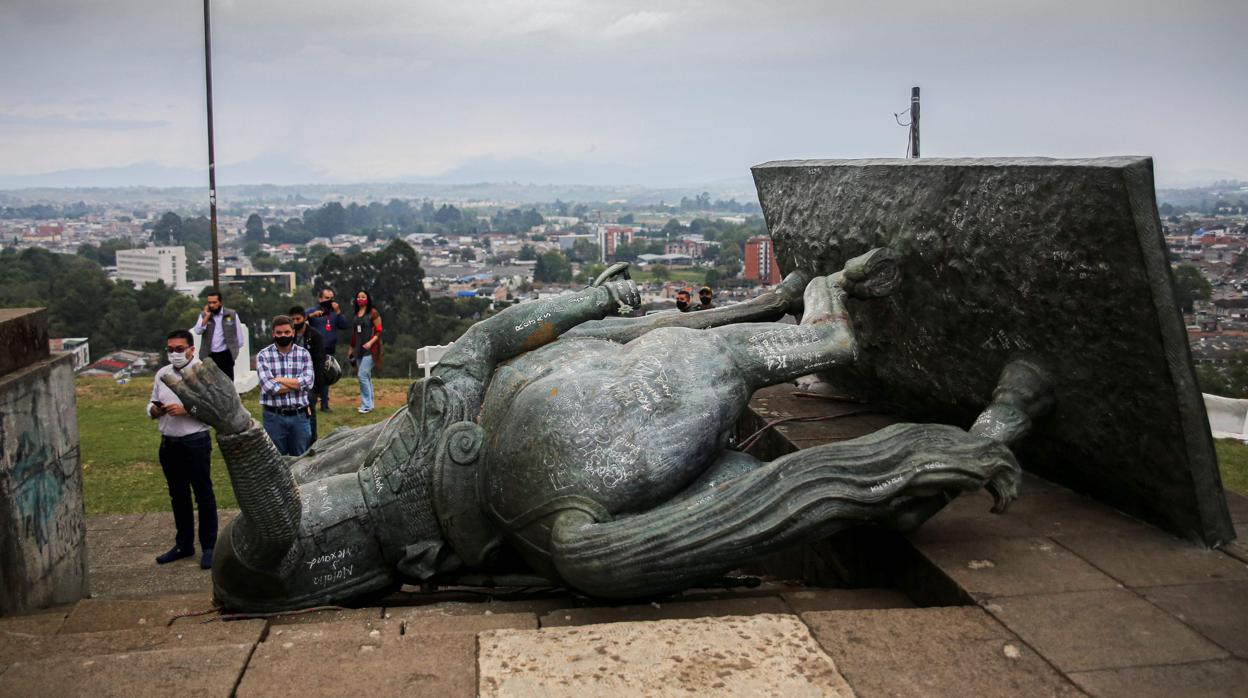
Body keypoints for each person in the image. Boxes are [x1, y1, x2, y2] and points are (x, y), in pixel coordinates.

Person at [147, 329, 217, 569]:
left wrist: (187, 410)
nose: (174, 354)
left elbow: (214, 410)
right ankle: (184, 544)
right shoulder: (162, 374)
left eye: (179, 349)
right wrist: (155, 410)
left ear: (191, 349)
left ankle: (209, 546)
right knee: (178, 495)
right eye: (170, 349)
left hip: (195, 441)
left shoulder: (203, 373)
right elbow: (151, 402)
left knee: (203, 494)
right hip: (169, 442)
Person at [256, 315, 315, 456]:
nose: (283, 335)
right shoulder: (263, 355)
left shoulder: (304, 354)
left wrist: (279, 379)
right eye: (279, 333)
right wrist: (296, 383)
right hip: (274, 417)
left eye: (287, 332)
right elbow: (269, 387)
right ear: (273, 334)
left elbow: (309, 382)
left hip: (300, 416)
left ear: (293, 333)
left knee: (302, 460)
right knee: (276, 463)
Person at [306, 287, 348, 412]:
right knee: (314, 376)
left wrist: (338, 311)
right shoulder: (313, 311)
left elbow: (344, 325)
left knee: (326, 376)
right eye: (327, 298)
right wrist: (311, 316)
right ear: (320, 299)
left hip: (329, 349)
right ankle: (311, 401)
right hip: (314, 349)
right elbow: (298, 320)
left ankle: (324, 404)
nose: (329, 301)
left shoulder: (334, 313)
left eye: (331, 298)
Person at [289, 306, 326, 444]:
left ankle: (312, 439)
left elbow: (319, 362)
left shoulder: (315, 336)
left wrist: (318, 388)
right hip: (292, 378)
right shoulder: (288, 335)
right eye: (292, 319)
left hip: (310, 379)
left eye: (298, 319)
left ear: (304, 318)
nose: (295, 322)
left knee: (309, 407)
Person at [190, 290, 244, 380]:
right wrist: (206, 317)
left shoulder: (231, 314)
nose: (212, 305)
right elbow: (198, 331)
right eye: (209, 303)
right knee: (211, 383)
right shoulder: (204, 315)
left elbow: (239, 335)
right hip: (209, 355)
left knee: (228, 382)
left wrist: (234, 352)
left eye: (214, 302)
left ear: (220, 302)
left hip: (226, 354)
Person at [347, 290, 383, 414]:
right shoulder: (356, 314)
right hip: (358, 349)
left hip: (371, 349)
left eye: (363, 296)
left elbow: (379, 331)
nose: (360, 298)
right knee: (366, 377)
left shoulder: (373, 313)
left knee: (362, 375)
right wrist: (351, 348)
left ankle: (366, 405)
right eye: (358, 296)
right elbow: (354, 334)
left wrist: (370, 342)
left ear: (367, 298)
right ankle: (369, 404)